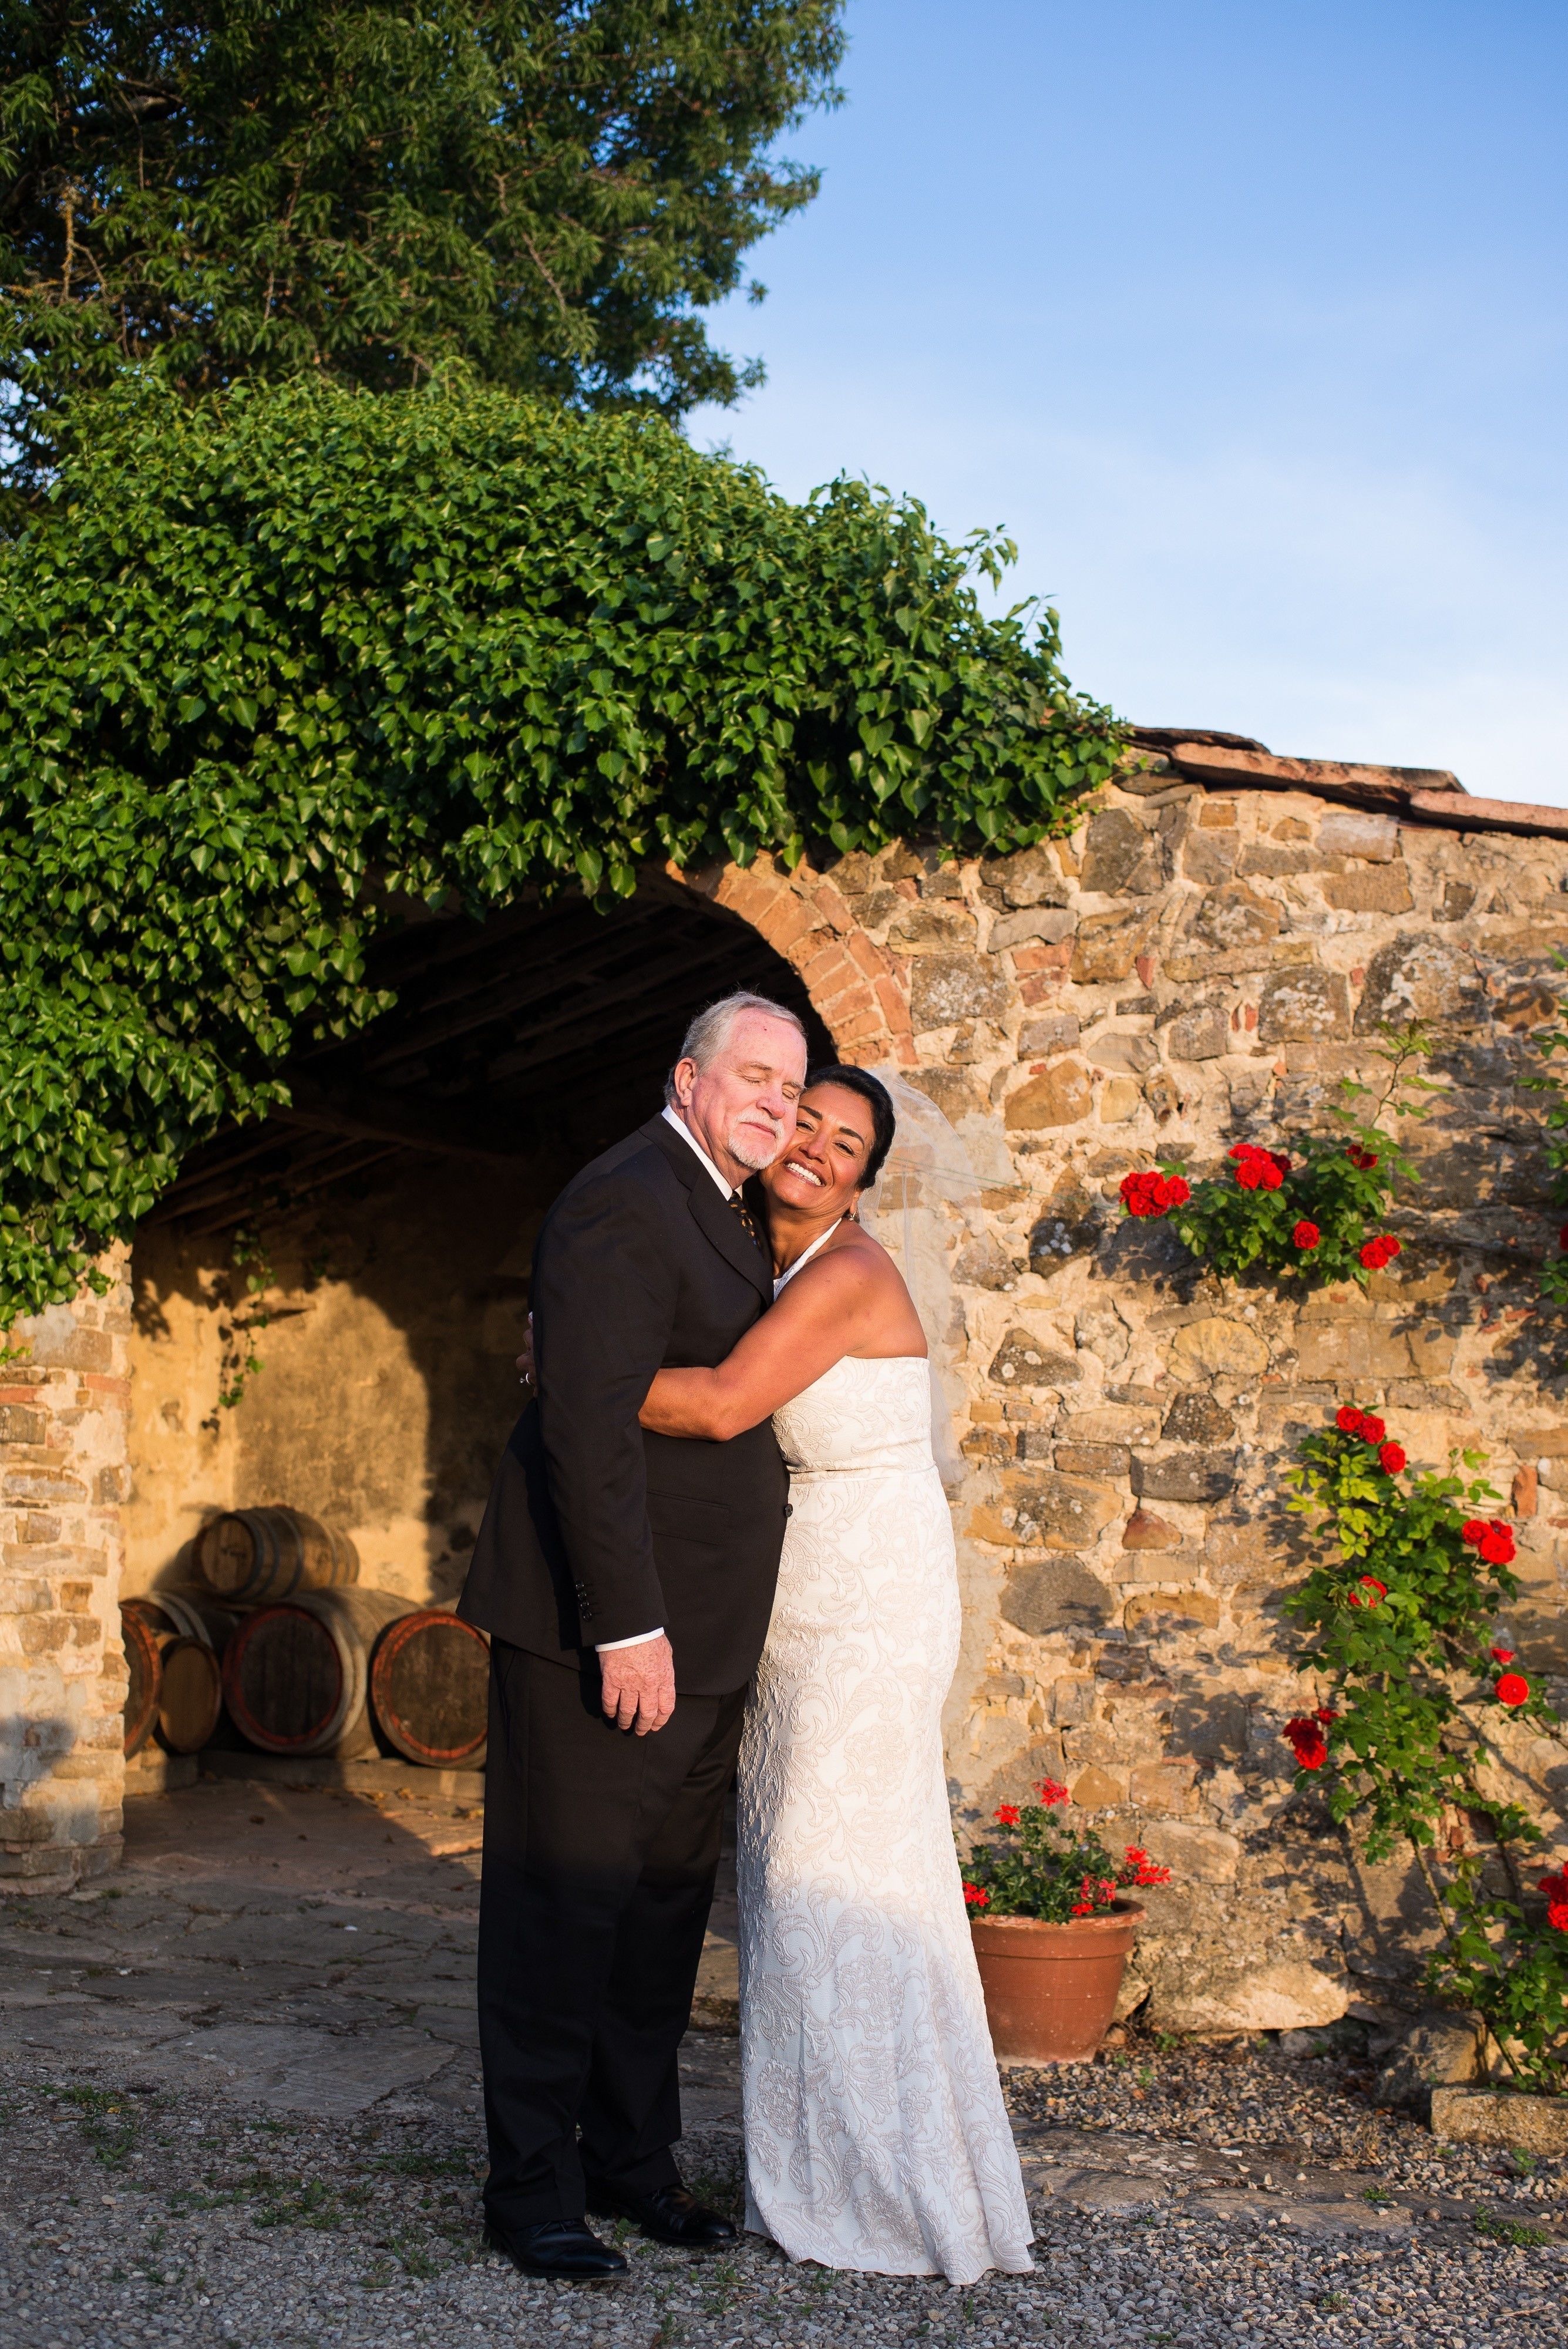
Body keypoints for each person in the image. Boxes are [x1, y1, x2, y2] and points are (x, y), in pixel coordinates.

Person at [639, 1066, 1034, 2284]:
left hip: (867, 1592)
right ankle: (832, 2164)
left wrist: (578, 1375)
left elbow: (720, 1406)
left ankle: (879, 2183)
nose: (814, 1146)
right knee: (796, 1873)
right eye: (803, 1122)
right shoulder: (766, 1257)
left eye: (845, 1142)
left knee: (828, 1872)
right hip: (805, 1590)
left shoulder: (848, 1271)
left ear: (866, 1179)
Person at [457, 991, 809, 2281]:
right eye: (753, 1075)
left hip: (705, 1632)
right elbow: (587, 1429)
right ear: (687, 1077)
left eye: (791, 1086)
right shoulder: (625, 1194)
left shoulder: (726, 1205)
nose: (775, 1102)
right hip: (601, 1627)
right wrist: (629, 1626)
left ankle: (628, 2158)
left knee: (658, 1916)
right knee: (562, 1906)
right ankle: (530, 2188)